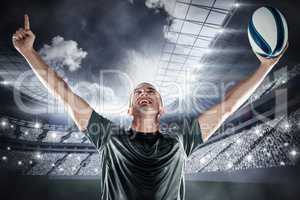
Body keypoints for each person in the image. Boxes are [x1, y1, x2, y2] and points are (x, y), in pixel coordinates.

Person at [12, 14, 287, 200]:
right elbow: (63, 92)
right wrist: (29, 52)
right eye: (138, 92)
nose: (144, 93)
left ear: (161, 107)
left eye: (151, 91)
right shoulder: (107, 136)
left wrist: (265, 67)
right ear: (129, 108)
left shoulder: (181, 140)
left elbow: (228, 106)